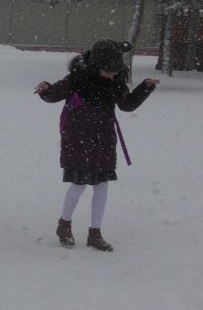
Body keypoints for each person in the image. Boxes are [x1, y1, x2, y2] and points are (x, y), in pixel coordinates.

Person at [34, 38, 159, 251]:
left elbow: (126, 105)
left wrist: (144, 88)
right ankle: (64, 225)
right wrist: (45, 89)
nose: (111, 75)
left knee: (102, 185)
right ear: (95, 66)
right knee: (79, 183)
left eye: (115, 71)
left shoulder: (115, 80)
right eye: (108, 71)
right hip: (78, 139)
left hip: (103, 140)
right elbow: (54, 94)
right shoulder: (77, 79)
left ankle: (95, 233)